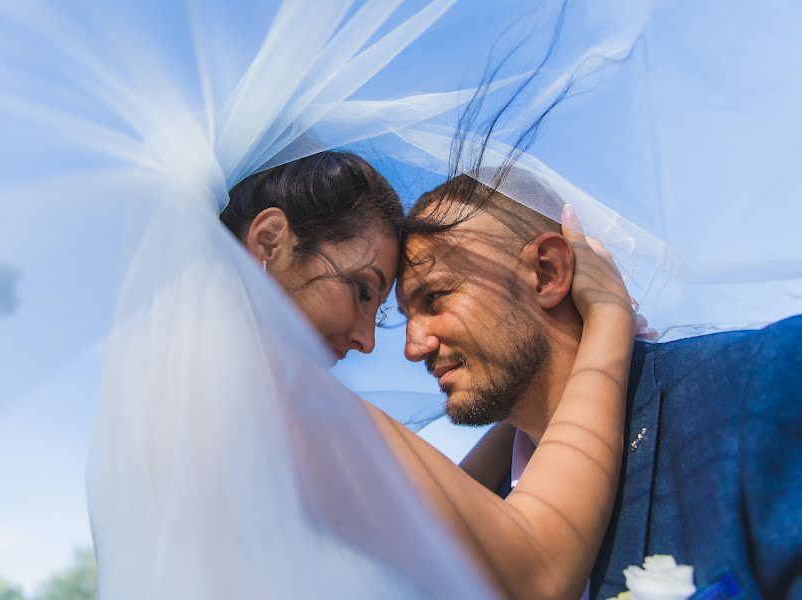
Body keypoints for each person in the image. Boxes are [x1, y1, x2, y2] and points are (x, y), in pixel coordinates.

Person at [207, 149, 636, 598]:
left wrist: (526, 403)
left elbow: (442, 525)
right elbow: (536, 571)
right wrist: (608, 318)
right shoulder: (270, 389)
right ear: (270, 242)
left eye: (434, 300)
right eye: (360, 289)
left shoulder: (192, 373)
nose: (369, 342)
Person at [397, 170, 802, 599]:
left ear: (547, 273)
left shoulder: (758, 385)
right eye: (405, 315)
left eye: (435, 298)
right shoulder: (482, 521)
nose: (412, 347)